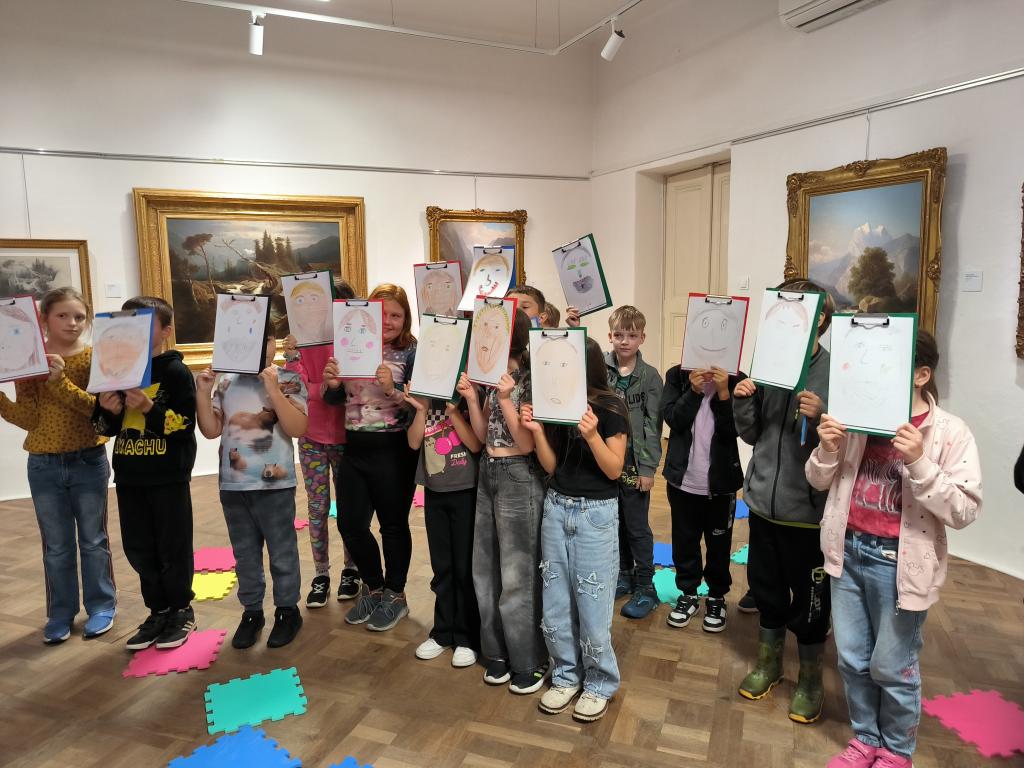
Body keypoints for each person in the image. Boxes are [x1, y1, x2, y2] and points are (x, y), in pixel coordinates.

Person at [810, 331, 982, 768]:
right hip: (846, 552)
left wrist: (920, 461)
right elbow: (818, 479)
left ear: (921, 375)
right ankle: (866, 739)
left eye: (887, 365)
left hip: (900, 564)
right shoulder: (854, 421)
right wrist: (827, 449)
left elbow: (963, 509)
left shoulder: (949, 432)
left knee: (892, 665)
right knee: (851, 659)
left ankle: (896, 752)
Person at [733, 279, 833, 724]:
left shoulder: (834, 370)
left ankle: (810, 679)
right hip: (762, 505)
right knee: (766, 587)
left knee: (811, 601)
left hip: (807, 514)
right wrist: (742, 401)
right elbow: (752, 434)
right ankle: (769, 664)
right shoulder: (770, 364)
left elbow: (846, 443)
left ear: (820, 319)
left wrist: (823, 413)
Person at [0, 287, 116, 644]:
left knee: (94, 540)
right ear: (45, 319)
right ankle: (60, 613)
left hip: (88, 460)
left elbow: (98, 411)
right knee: (56, 545)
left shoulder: (94, 357)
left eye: (79, 316)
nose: (72, 323)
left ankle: (102, 606)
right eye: (63, 315)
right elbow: (30, 418)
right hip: (44, 465)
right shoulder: (29, 363)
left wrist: (60, 382)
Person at [522, 338, 629, 723]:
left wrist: (592, 435)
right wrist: (537, 431)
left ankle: (599, 683)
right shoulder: (555, 405)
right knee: (555, 606)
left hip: (595, 514)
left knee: (593, 606)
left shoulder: (611, 406)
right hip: (557, 507)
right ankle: (566, 675)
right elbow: (552, 467)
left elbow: (614, 470)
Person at [93, 296, 198, 650]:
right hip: (129, 474)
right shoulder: (114, 368)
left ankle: (181, 610)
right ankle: (158, 610)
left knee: (173, 546)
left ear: (166, 332)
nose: (134, 328)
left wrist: (151, 408)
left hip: (168, 475)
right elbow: (103, 428)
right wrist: (109, 411)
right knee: (139, 548)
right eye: (128, 321)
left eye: (146, 321)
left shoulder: (176, 372)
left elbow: (184, 426)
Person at [196, 331, 308, 649]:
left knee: (282, 552)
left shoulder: (289, 379)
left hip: (275, 484)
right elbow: (211, 430)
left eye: (266, 338)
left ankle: (287, 611)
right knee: (244, 554)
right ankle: (252, 612)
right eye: (250, 336)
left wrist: (272, 389)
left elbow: (298, 428)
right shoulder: (226, 381)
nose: (259, 345)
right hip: (234, 485)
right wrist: (202, 393)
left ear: (276, 343)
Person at [322, 284, 418, 631]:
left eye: (396, 315)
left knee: (392, 525)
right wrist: (333, 386)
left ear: (406, 318)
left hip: (394, 449)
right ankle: (374, 588)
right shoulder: (351, 346)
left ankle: (396, 594)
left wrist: (394, 390)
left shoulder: (410, 352)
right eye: (382, 313)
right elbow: (336, 401)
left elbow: (422, 405)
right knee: (350, 524)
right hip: (355, 447)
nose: (389, 321)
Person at [465, 309, 548, 693]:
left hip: (519, 474)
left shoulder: (530, 379)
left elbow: (527, 443)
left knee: (518, 574)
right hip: (489, 471)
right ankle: (496, 652)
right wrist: (472, 398)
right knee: (484, 568)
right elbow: (483, 435)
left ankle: (527, 660)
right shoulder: (490, 377)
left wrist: (507, 398)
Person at [283, 278, 360, 608]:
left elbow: (352, 385)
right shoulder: (302, 340)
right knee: (316, 508)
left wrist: (318, 388)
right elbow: (294, 387)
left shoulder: (351, 338)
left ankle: (352, 569)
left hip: (347, 436)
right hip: (311, 436)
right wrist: (293, 359)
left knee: (350, 509)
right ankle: (321, 573)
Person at [661, 360, 744, 633]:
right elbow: (673, 419)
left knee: (719, 545)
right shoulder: (677, 375)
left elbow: (735, 430)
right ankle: (688, 594)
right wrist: (694, 392)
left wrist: (723, 393)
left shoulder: (736, 378)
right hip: (683, 481)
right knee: (684, 542)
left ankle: (717, 597)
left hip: (721, 484)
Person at [405, 381, 482, 669]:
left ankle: (466, 636)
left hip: (465, 490)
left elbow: (475, 444)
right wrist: (421, 410)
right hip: (434, 492)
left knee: (464, 567)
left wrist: (454, 412)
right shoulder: (422, 396)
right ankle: (442, 631)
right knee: (442, 566)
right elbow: (414, 443)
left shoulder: (468, 392)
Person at [604, 306, 663, 619]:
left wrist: (648, 468)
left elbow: (654, 426)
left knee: (636, 525)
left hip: (635, 463)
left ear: (642, 338)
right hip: (606, 460)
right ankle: (624, 575)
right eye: (618, 335)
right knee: (615, 522)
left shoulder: (650, 377)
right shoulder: (601, 368)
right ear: (610, 336)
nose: (624, 341)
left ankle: (645, 585)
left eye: (631, 335)